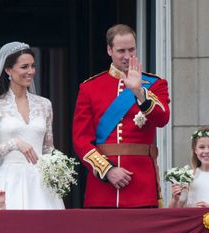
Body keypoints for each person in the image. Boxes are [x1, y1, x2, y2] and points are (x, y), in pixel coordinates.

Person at [72, 24, 170, 208]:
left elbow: (162, 119)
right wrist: (107, 170)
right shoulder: (90, 88)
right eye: (121, 51)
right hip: (103, 188)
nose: (127, 56)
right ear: (109, 50)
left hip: (141, 184)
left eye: (132, 50)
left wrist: (140, 92)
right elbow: (81, 139)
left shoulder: (155, 84)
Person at [0, 41, 65, 209]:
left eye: (33, 66)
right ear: (8, 70)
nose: (30, 71)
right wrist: (14, 144)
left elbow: (48, 149)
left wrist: (59, 167)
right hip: (9, 182)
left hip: (41, 184)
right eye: (24, 67)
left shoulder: (44, 104)